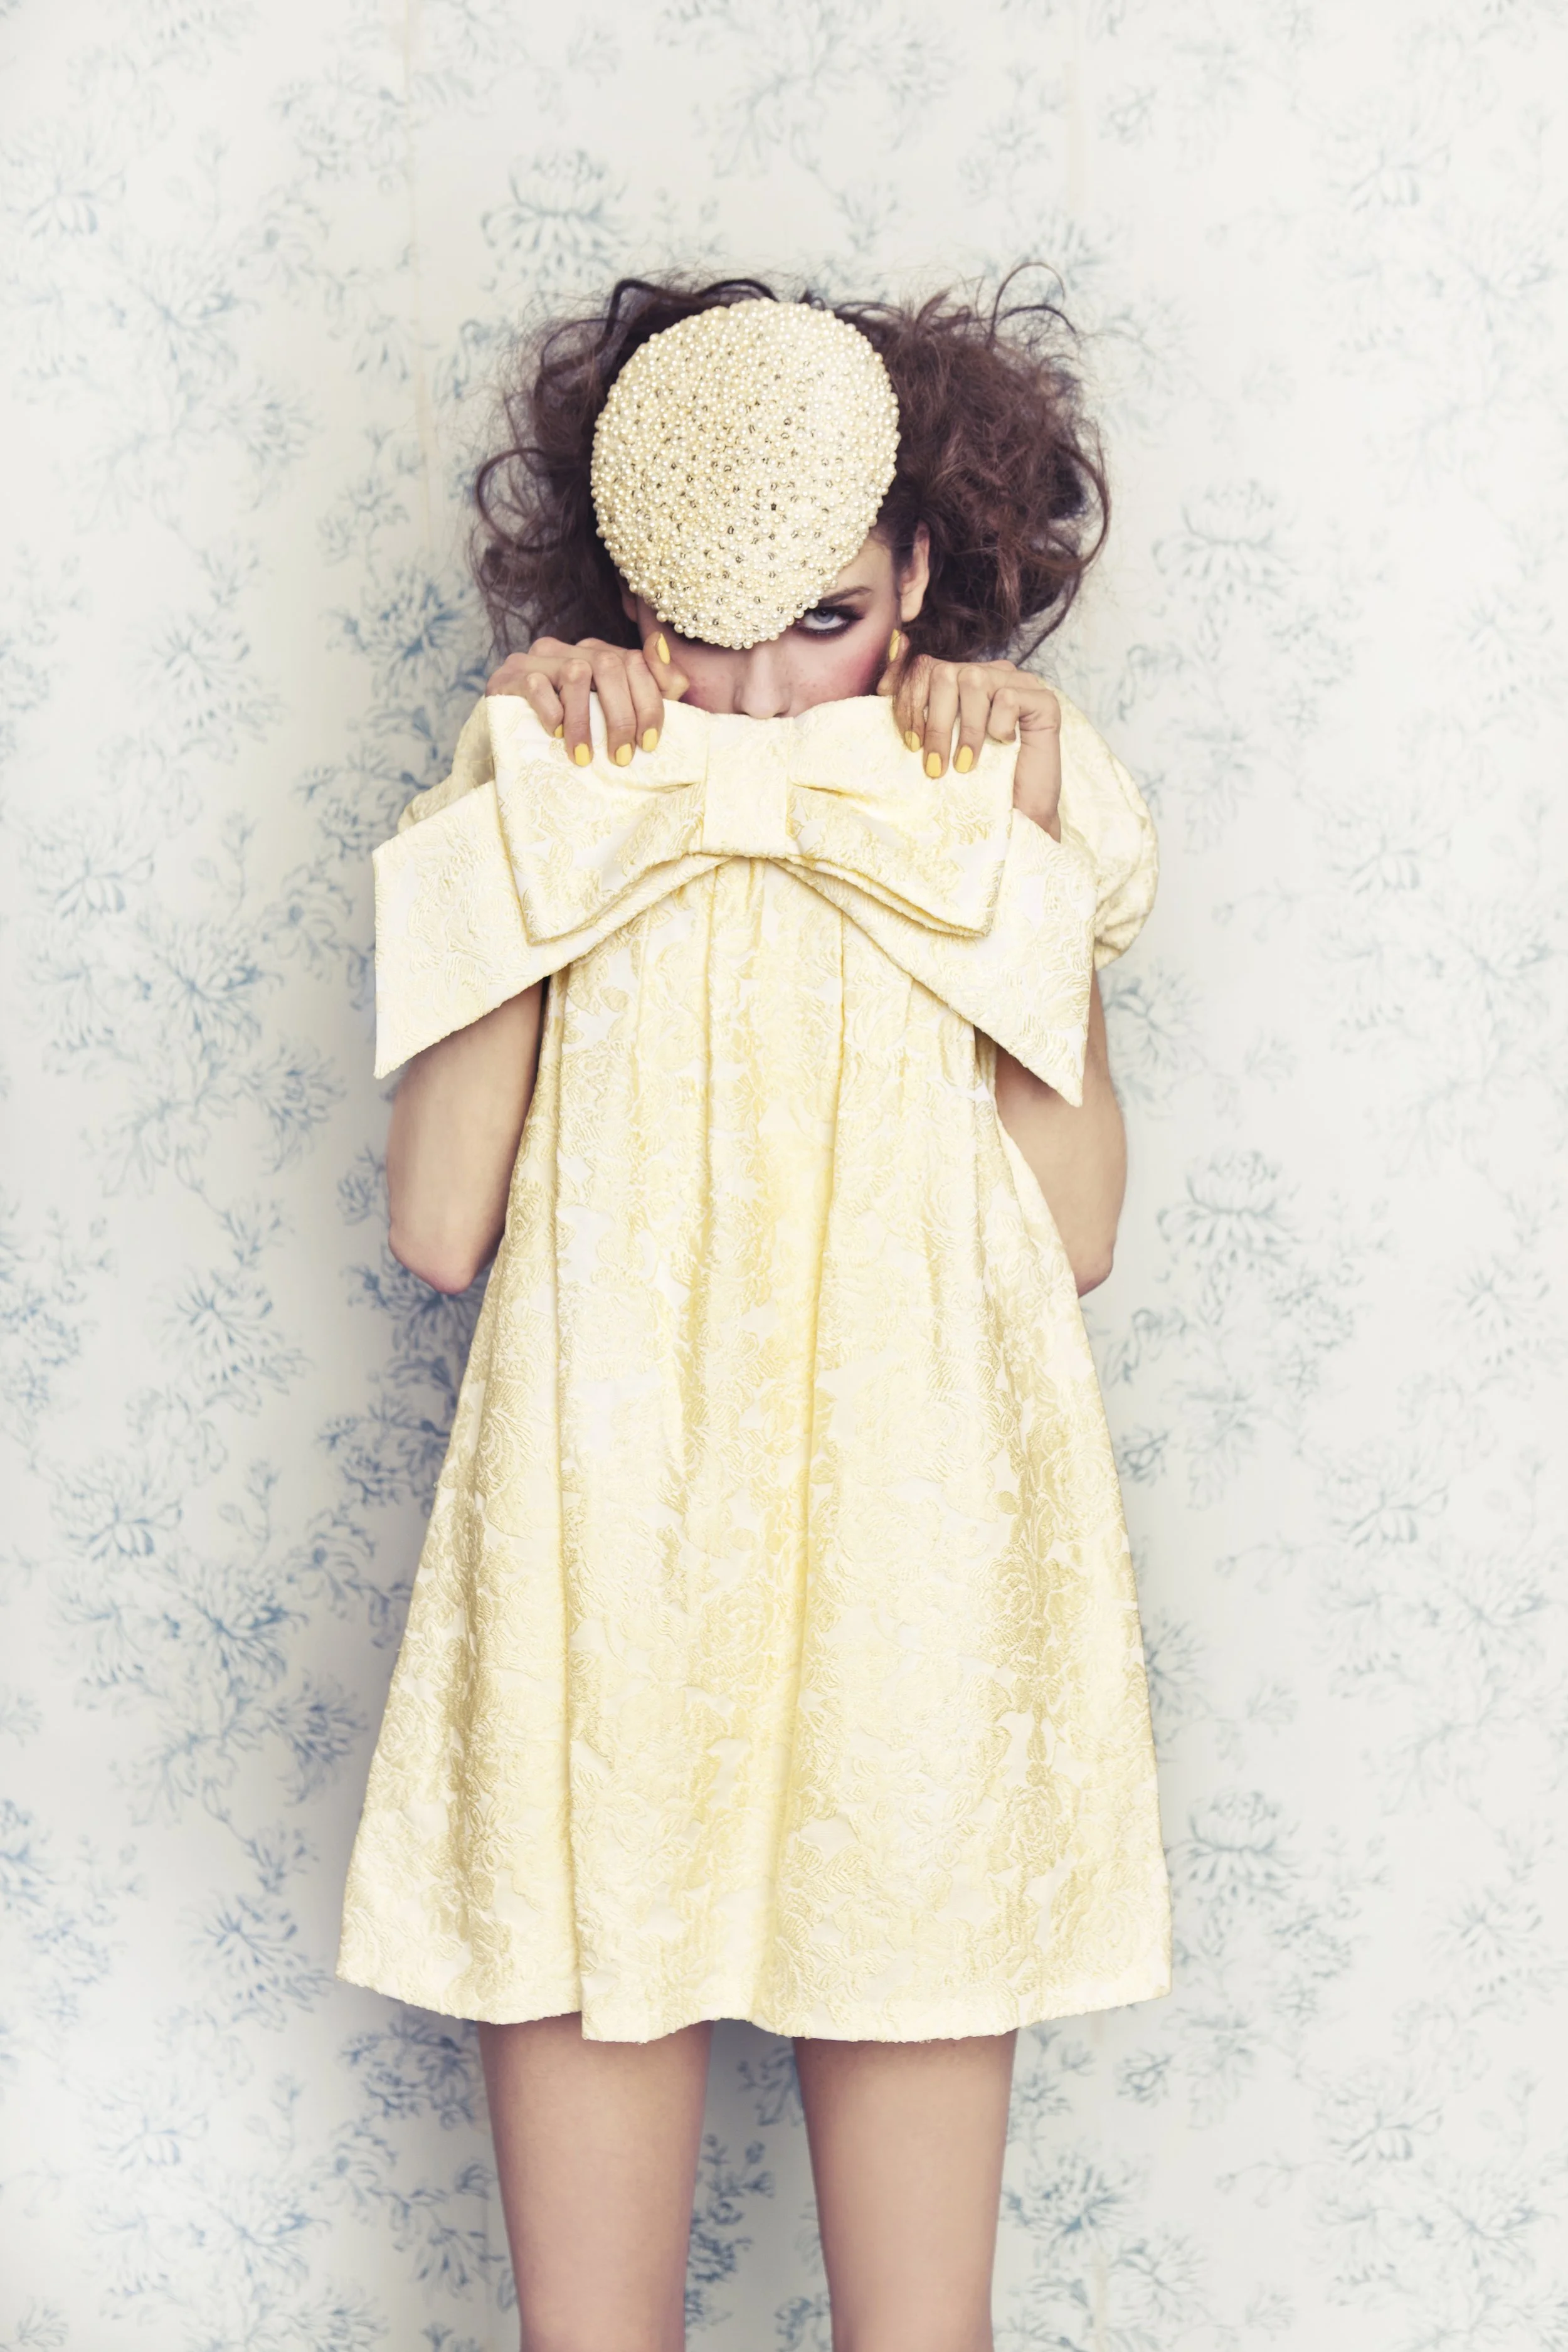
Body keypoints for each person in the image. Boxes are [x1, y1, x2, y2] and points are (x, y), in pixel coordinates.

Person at [337, 275, 1170, 2352]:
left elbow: (1073, 1230)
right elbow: (439, 1222)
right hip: (602, 1561)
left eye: (826, 617)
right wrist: (527, 823)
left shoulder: (988, 793)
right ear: (629, 592)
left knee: (920, 2334)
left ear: (920, 578)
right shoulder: (556, 777)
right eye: (704, 623)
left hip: (907, 1573)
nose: (769, 694)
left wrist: (1019, 861)